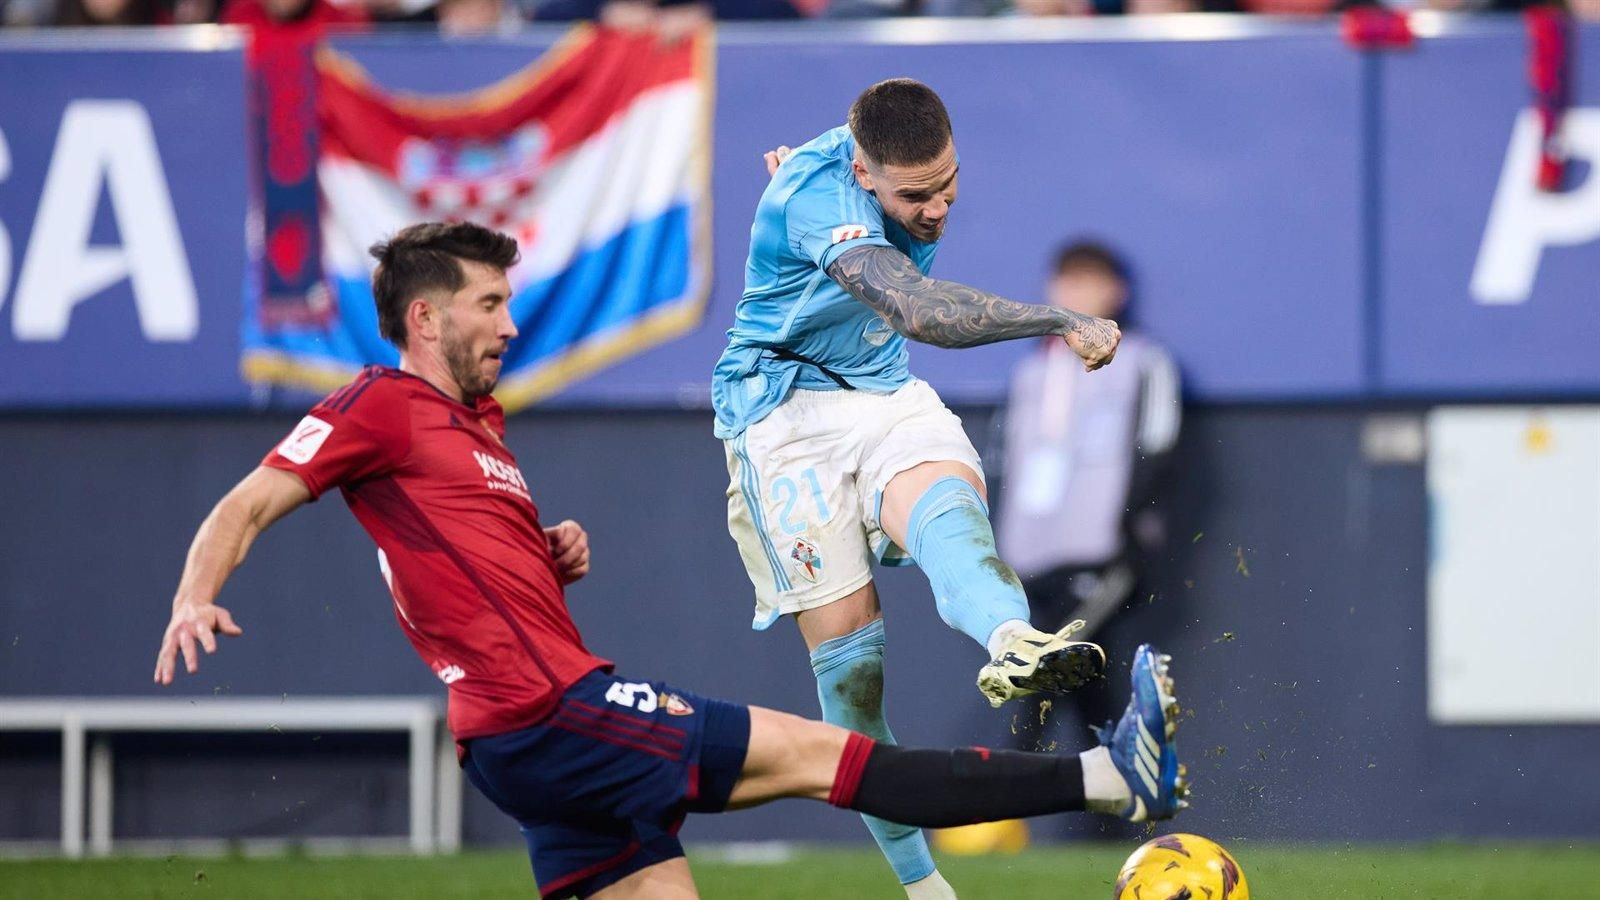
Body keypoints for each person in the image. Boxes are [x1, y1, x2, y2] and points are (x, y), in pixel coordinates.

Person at [153, 221, 1186, 900]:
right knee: (832, 760)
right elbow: (249, 502)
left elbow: (442, 567)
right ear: (424, 318)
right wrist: (196, 594)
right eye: (488, 306)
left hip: (519, 747)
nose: (510, 325)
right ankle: (1105, 777)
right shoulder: (382, 404)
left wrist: (542, 553)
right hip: (554, 713)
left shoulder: (473, 427)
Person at [713, 78, 1124, 896]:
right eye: (915, 196)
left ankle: (1014, 640)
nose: (937, 209)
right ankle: (921, 882)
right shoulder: (814, 195)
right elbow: (917, 308)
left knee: (948, 510)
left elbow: (863, 232)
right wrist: (1056, 320)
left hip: (881, 390)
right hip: (780, 415)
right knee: (853, 677)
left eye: (947, 184)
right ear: (866, 176)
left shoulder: (856, 162)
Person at [994, 240, 1180, 829]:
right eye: (1066, 283)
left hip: (1100, 554)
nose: (1076, 295)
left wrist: (1127, 530)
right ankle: (1130, 805)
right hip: (1028, 555)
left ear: (1116, 291)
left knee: (1043, 671)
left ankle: (994, 808)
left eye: (1090, 283)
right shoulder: (1032, 371)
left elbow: (1159, 446)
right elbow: (1006, 459)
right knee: (1084, 683)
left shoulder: (1144, 362)